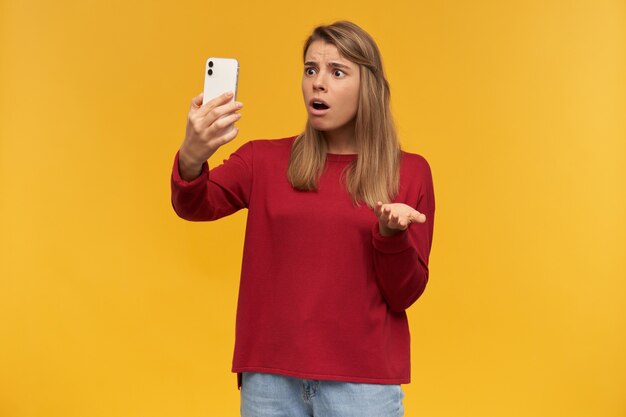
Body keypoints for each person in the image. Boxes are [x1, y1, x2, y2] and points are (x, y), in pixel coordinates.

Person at [171, 20, 435, 417]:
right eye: (311, 69)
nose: (318, 83)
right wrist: (192, 155)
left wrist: (391, 235)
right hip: (270, 381)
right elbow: (195, 205)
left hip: (362, 385)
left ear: (370, 87)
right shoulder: (262, 159)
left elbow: (404, 294)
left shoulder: (408, 172)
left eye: (337, 71)